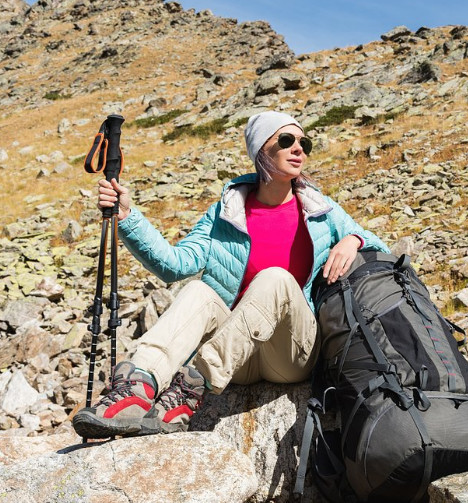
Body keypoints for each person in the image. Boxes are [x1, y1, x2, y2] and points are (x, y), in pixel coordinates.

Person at [72, 111, 390, 438]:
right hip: (237, 356)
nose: (299, 149)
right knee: (198, 293)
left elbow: (381, 246)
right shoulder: (227, 211)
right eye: (286, 140)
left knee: (275, 278)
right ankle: (136, 389)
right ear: (260, 151)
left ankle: (192, 386)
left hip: (291, 354)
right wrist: (128, 217)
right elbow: (173, 264)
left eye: (303, 142)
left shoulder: (321, 210)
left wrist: (354, 239)